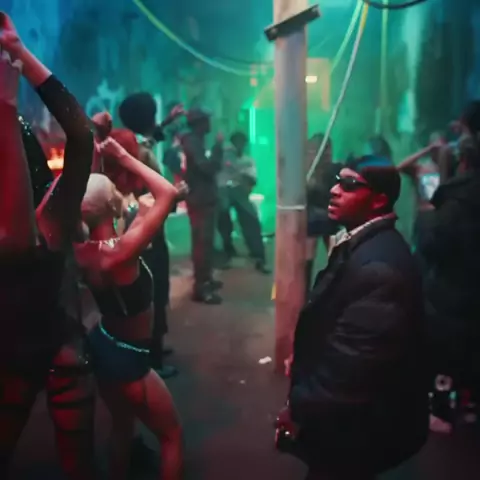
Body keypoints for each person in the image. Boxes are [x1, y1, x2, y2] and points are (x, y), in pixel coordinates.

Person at [276, 155, 428, 479]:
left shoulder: (380, 269)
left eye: (348, 185)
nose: (334, 190)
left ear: (379, 200)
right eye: (337, 181)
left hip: (359, 428)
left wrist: (298, 408)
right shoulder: (363, 241)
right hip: (349, 417)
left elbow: (350, 371)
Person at [0, 14, 96, 479]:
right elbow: (80, 133)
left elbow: (17, 235)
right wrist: (19, 66)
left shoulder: (47, 219)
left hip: (27, 358)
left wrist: (17, 57)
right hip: (58, 353)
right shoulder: (52, 217)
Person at [73, 137, 183, 480]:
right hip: (130, 358)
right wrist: (121, 155)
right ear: (112, 203)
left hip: (103, 343)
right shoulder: (121, 252)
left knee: (121, 426)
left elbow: (93, 200)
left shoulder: (82, 250)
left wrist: (95, 157)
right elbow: (167, 193)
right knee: (172, 437)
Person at [418, 100, 480, 433]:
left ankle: (441, 410)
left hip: (454, 296)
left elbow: (431, 244)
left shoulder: (457, 198)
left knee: (446, 351)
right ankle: (468, 406)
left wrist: (442, 181)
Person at [181, 108, 224, 304]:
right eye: (206, 120)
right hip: (199, 200)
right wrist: (218, 148)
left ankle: (206, 279)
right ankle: (201, 287)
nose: (209, 124)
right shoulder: (192, 141)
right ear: (199, 123)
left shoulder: (196, 141)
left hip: (204, 199)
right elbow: (207, 168)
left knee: (206, 243)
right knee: (202, 244)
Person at [216, 131, 269, 272]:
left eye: (241, 143)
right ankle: (226, 250)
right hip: (223, 190)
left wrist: (243, 183)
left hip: (239, 191)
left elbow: (252, 180)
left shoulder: (247, 160)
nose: (238, 146)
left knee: (251, 220)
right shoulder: (223, 156)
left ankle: (258, 255)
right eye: (236, 143)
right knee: (223, 220)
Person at [304, 133, 341, 294]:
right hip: (313, 217)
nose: (327, 153)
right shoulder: (308, 170)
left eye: (328, 149)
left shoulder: (334, 169)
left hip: (329, 216)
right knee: (308, 258)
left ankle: (334, 290)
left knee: (335, 257)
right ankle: (304, 293)